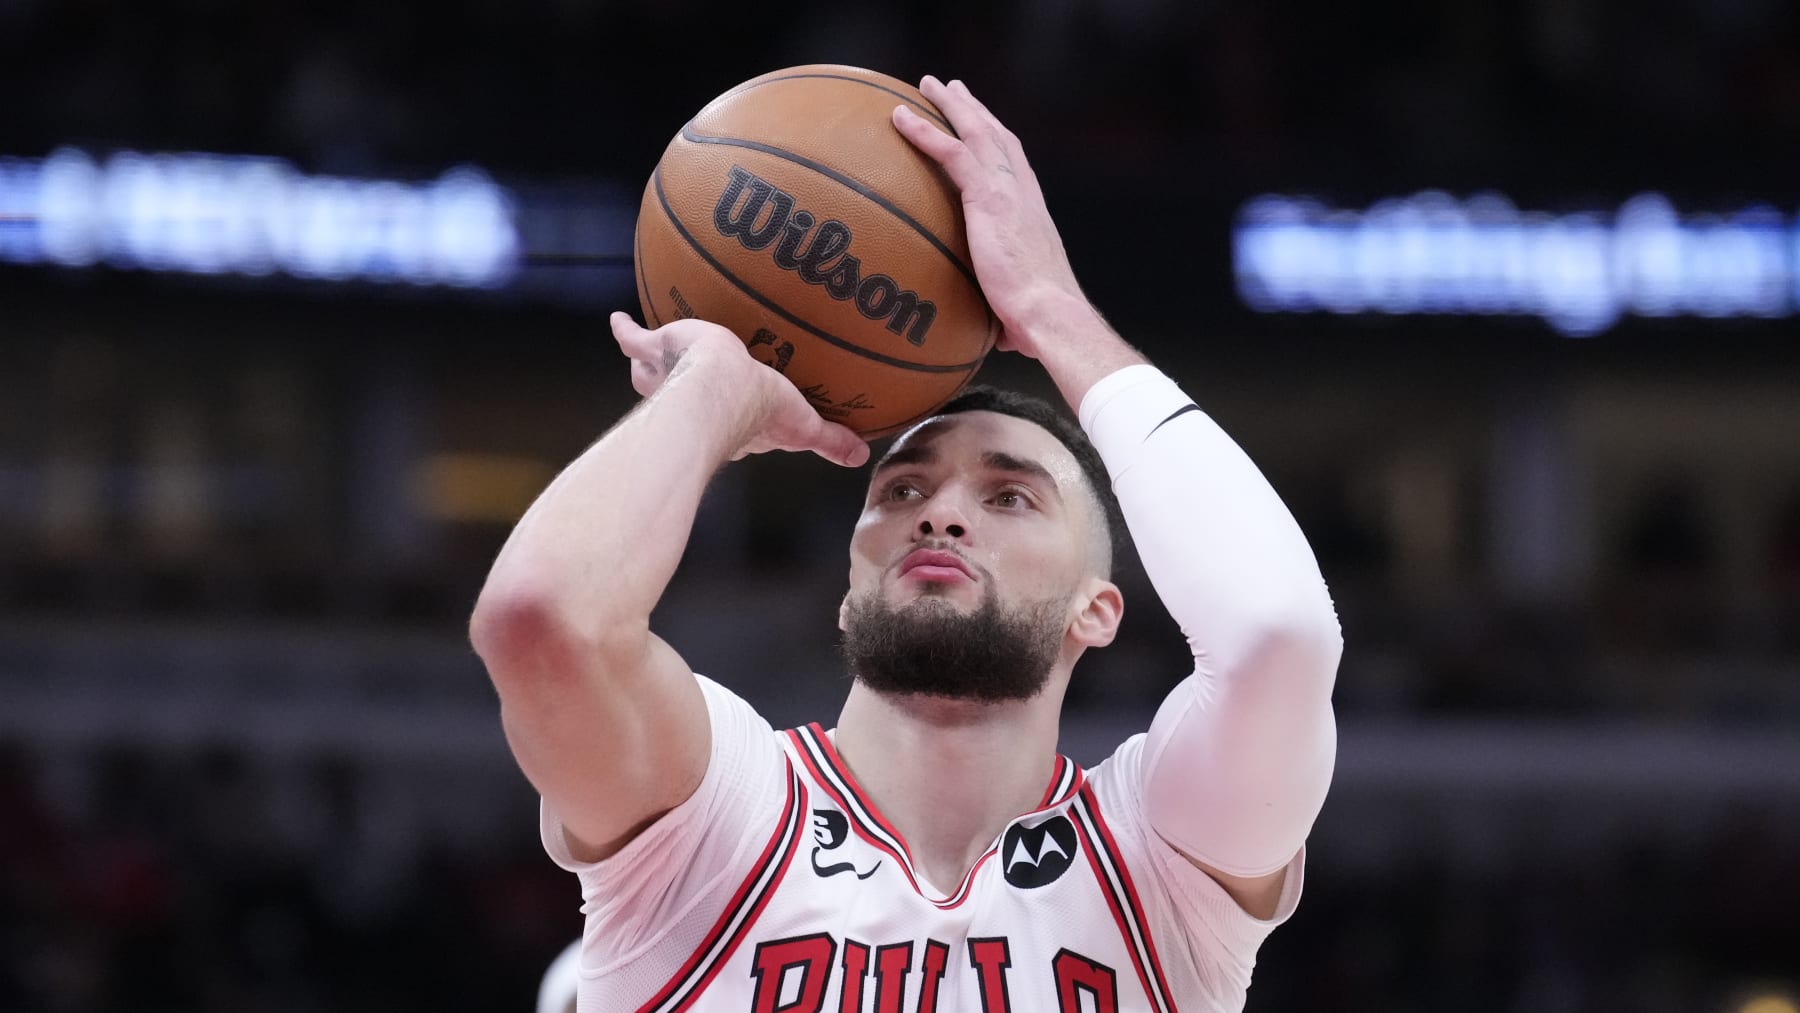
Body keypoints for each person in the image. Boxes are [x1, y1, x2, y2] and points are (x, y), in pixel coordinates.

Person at [472, 75, 1341, 1012]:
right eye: (903, 488)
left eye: (1010, 496)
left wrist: (1050, 309)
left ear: (1098, 607)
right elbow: (543, 621)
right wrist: (716, 389)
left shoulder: (1158, 864)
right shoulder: (720, 814)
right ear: (850, 587)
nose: (942, 514)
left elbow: (1277, 637)